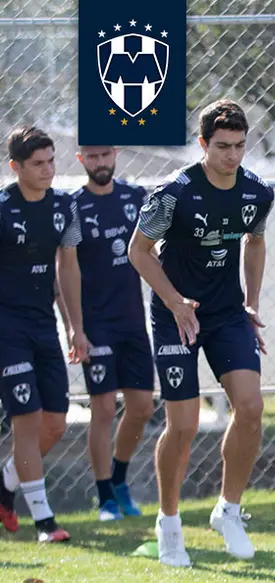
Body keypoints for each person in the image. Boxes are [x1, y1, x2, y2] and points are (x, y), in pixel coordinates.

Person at [128, 100, 274, 566]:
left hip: (226, 312)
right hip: (175, 313)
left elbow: (255, 239)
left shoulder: (257, 192)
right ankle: (169, 524)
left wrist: (251, 300)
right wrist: (174, 301)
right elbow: (139, 251)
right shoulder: (173, 191)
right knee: (184, 424)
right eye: (223, 147)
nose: (233, 156)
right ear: (203, 144)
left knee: (250, 407)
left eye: (240, 146)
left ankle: (228, 512)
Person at [0, 126, 89, 542]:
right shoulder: (1, 207)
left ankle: (4, 487)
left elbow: (67, 266)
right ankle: (44, 522)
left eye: (52, 161)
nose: (48, 170)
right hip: (6, 327)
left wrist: (76, 327)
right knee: (27, 419)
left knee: (55, 423)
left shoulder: (64, 207)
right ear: (15, 166)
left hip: (43, 326)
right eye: (38, 164)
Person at [68, 146, 154, 521]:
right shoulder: (72, 207)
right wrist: (76, 328)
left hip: (133, 321)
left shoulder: (136, 197)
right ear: (80, 159)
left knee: (141, 407)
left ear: (115, 153)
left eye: (105, 154)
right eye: (92, 157)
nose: (100, 162)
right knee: (103, 409)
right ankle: (104, 497)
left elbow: (157, 249)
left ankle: (119, 479)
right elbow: (66, 270)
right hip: (96, 324)